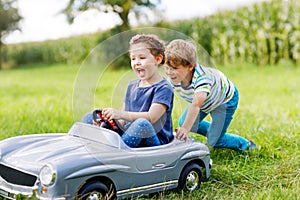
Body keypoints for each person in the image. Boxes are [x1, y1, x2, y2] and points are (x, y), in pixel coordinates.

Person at [82, 34, 174, 148]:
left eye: (142, 57)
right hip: (130, 133)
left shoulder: (163, 88)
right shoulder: (132, 86)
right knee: (89, 116)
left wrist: (121, 114)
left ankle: (116, 149)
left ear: (158, 59)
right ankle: (93, 143)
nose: (137, 62)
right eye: (133, 58)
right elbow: (123, 121)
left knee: (142, 124)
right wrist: (106, 124)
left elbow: (151, 117)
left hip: (154, 139)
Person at [164, 39, 256, 151]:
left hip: (224, 100)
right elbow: (164, 100)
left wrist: (185, 129)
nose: (169, 72)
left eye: (174, 68)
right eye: (167, 68)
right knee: (184, 122)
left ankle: (246, 144)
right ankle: (213, 133)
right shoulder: (173, 80)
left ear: (190, 66)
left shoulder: (202, 78)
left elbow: (196, 105)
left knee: (215, 141)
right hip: (206, 101)